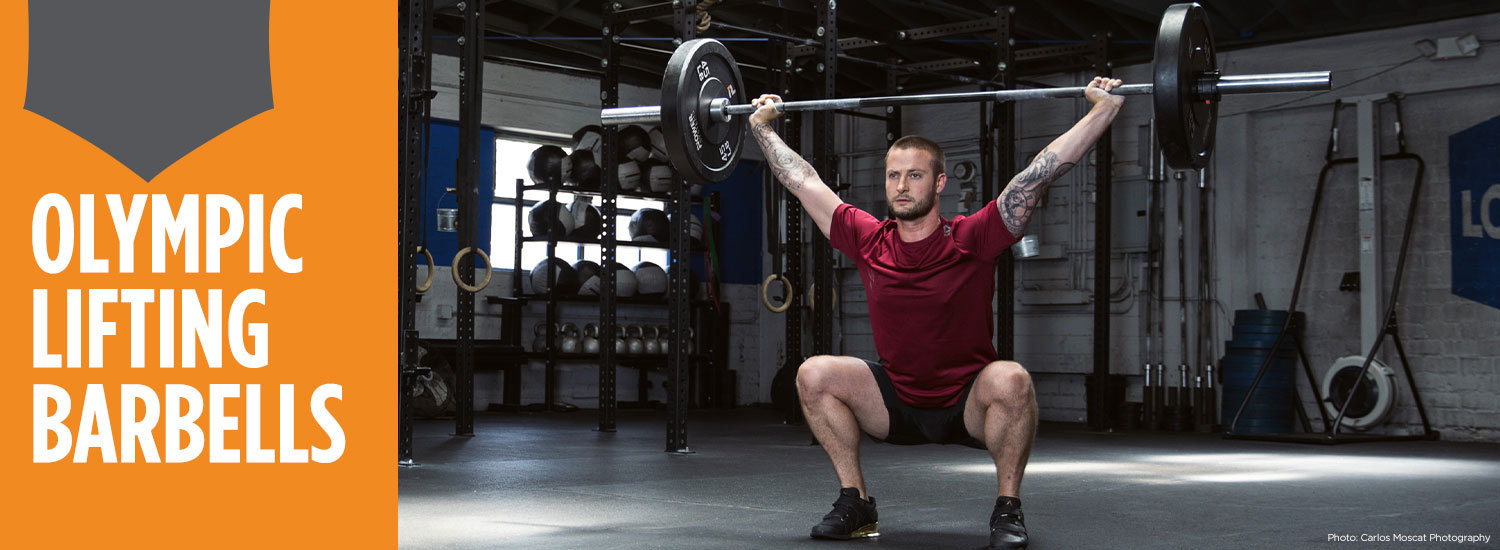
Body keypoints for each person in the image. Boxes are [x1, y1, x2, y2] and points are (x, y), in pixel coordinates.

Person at [746, 76, 1125, 549]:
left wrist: (1102, 111)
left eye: (915, 175)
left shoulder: (974, 236)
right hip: (896, 401)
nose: (902, 186)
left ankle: (1008, 508)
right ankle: (857, 501)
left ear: (939, 181)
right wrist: (762, 127)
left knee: (1012, 380)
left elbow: (1039, 173)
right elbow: (803, 182)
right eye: (893, 175)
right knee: (814, 374)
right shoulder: (868, 239)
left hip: (967, 404)